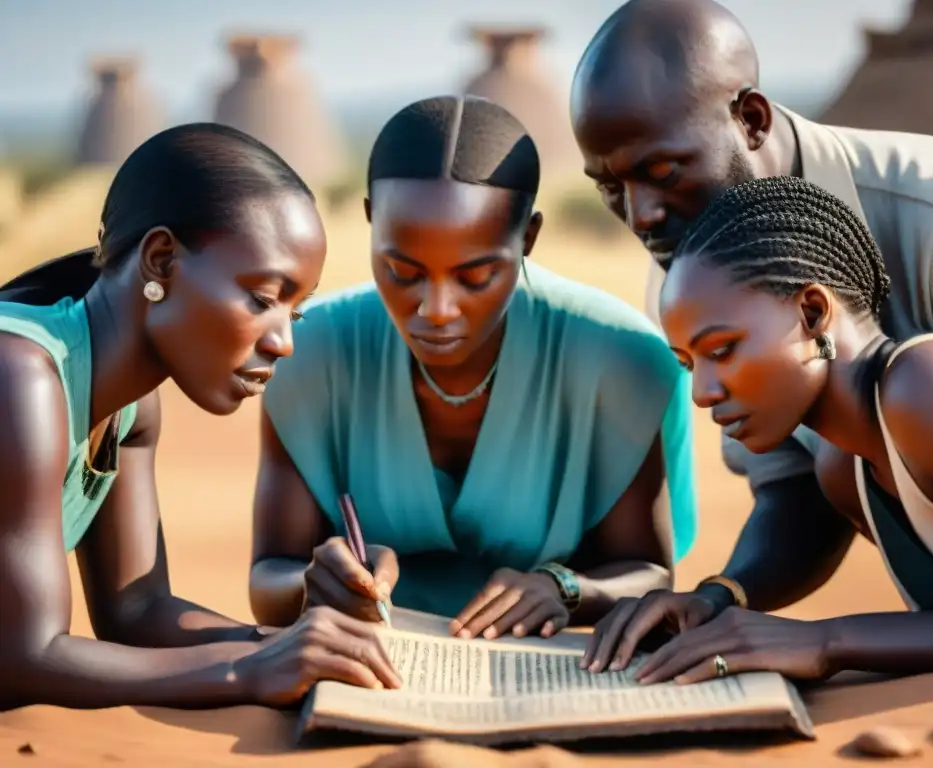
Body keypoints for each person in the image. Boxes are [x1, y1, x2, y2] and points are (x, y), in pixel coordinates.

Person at [570, 0, 933, 625]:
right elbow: (797, 487)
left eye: (664, 171)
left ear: (751, 119)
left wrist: (830, 644)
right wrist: (721, 598)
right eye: (610, 188)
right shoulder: (686, 274)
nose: (642, 215)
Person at [249, 95, 696, 647]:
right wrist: (312, 586)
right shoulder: (309, 351)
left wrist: (564, 588)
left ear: (527, 239)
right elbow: (270, 573)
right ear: (370, 220)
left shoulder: (619, 360)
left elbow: (649, 574)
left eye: (477, 275)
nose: (436, 309)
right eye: (401, 271)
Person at [0, 123, 404, 711]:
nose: (284, 342)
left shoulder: (130, 406)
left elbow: (137, 610)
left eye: (296, 308)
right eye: (263, 299)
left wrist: (300, 644)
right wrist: (247, 671)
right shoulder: (21, 378)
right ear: (161, 261)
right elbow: (22, 658)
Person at [583, 176, 933, 684]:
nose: (702, 392)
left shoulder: (929, 388)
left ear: (812, 312)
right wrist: (715, 599)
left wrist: (827, 641)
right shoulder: (843, 468)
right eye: (689, 364)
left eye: (722, 350)